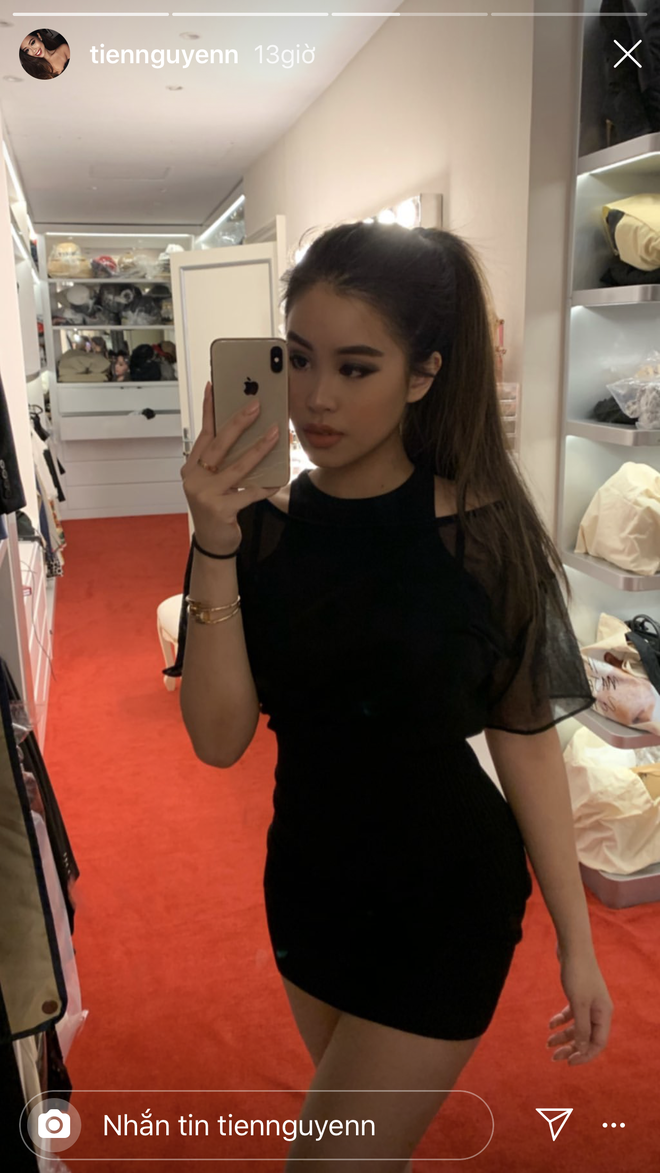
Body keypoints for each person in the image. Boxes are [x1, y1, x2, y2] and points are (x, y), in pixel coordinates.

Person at [172, 221, 614, 1170]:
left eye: (356, 367)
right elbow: (218, 739)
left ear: (423, 375)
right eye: (298, 359)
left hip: (443, 900)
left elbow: (527, 738)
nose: (316, 398)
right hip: (309, 887)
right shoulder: (256, 531)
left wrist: (577, 942)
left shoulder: (484, 535)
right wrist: (214, 540)